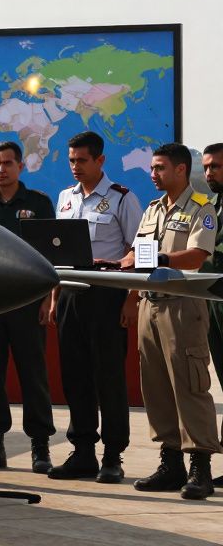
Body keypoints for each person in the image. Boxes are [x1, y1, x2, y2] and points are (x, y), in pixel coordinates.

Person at [119, 143, 221, 500]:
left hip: (183, 305)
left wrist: (158, 257)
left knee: (189, 385)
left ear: (180, 170)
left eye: (160, 168)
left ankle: (200, 467)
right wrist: (131, 292)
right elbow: (137, 254)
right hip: (150, 304)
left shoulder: (201, 208)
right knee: (157, 385)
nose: (153, 174)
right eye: (152, 167)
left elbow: (197, 255)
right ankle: (170, 462)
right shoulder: (151, 210)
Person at [47, 131, 141, 484]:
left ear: (100, 161)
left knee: (109, 378)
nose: (75, 167)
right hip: (71, 295)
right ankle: (83, 451)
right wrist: (56, 298)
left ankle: (113, 456)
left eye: (81, 160)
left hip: (106, 296)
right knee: (75, 377)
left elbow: (138, 251)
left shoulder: (122, 199)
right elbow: (59, 251)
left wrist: (132, 297)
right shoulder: (65, 199)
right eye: (71, 160)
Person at [0, 141, 56, 473]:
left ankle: (40, 447)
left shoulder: (38, 203)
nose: (1, 169)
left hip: (27, 303)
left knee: (33, 375)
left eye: (7, 163)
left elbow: (51, 254)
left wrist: (48, 298)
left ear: (21, 166)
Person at [199, 143, 223, 487]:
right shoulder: (209, 207)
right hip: (214, 305)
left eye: (216, 166)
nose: (209, 173)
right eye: (206, 167)